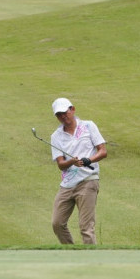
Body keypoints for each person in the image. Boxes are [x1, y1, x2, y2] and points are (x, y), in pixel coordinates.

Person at [50, 97, 107, 244]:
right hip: (67, 185)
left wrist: (89, 160)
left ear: (72, 109)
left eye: (65, 112)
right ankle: (72, 253)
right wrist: (72, 162)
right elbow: (61, 164)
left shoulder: (88, 126)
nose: (63, 116)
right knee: (57, 223)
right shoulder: (55, 136)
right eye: (59, 114)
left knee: (86, 228)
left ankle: (92, 263)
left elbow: (103, 151)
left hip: (88, 180)